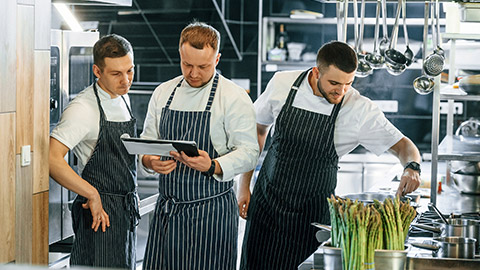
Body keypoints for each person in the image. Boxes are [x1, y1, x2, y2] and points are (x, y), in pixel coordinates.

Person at [238, 41, 422, 270]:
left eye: (348, 83)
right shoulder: (282, 84)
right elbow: (257, 130)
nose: (341, 91)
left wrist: (412, 166)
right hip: (266, 209)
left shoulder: (358, 109)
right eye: (334, 83)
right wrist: (243, 185)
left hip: (311, 222)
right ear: (316, 72)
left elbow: (404, 145)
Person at [140, 22, 259, 270]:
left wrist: (213, 165)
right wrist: (149, 161)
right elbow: (147, 143)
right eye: (187, 64)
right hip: (168, 212)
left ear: (217, 59)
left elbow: (249, 153)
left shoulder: (233, 97)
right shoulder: (164, 92)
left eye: (203, 66)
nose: (193, 73)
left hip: (212, 215)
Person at [49, 34, 139, 269]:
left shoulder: (122, 97)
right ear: (97, 71)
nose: (126, 80)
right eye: (116, 74)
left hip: (125, 210)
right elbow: (51, 159)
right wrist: (92, 194)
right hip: (99, 214)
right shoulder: (83, 109)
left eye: (130, 70)